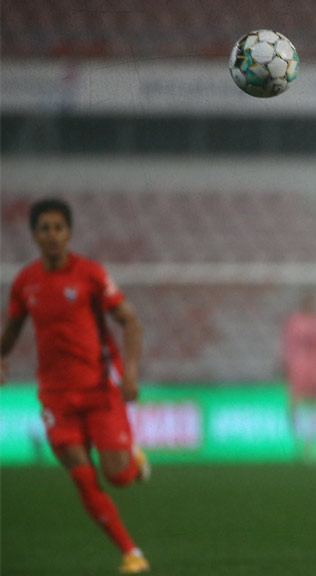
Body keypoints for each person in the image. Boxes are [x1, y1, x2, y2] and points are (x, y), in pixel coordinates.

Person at [0, 197, 151, 574]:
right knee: (83, 478)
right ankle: (131, 553)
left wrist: (129, 372)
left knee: (118, 476)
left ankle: (134, 462)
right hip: (55, 397)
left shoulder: (91, 275)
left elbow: (129, 322)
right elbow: (12, 332)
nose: (52, 235)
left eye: (58, 228)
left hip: (99, 388)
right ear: (34, 235)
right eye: (44, 229)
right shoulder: (24, 283)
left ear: (69, 232)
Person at [279, 289, 316, 461]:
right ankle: (297, 441)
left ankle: (313, 444)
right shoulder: (294, 321)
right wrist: (284, 365)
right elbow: (287, 345)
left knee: (314, 406)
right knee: (294, 405)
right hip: (297, 366)